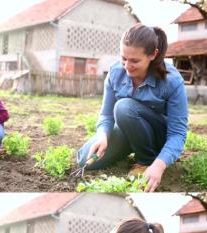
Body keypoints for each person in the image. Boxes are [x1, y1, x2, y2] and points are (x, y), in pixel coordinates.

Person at [77, 24, 188, 192]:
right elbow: (106, 115)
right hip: (128, 128)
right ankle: (129, 147)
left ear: (153, 55)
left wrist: (159, 165)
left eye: (135, 61)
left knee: (124, 107)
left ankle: (146, 160)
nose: (127, 66)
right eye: (124, 58)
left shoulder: (171, 81)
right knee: (84, 159)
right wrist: (102, 136)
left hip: (157, 137)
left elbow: (178, 133)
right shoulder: (115, 73)